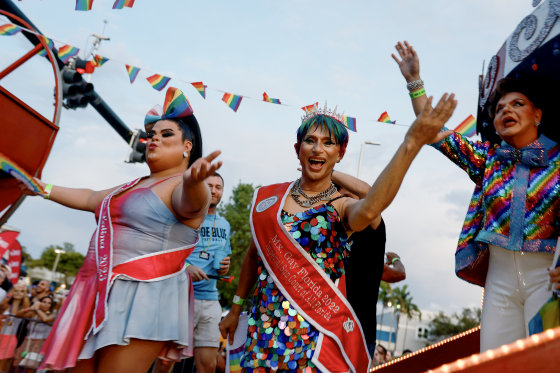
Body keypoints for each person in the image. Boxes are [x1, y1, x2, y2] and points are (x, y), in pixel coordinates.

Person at [220, 97, 457, 372]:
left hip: (316, 337)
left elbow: (370, 208)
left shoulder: (340, 205)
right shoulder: (271, 199)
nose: (317, 148)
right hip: (263, 330)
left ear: (340, 152)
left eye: (328, 142)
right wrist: (235, 309)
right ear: (298, 148)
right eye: (310, 140)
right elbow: (253, 254)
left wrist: (411, 144)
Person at [17, 87, 222, 372]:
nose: (154, 140)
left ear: (188, 146)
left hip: (145, 296)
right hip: (98, 289)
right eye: (152, 135)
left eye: (166, 135)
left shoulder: (182, 187)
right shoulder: (133, 185)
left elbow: (191, 203)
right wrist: (40, 187)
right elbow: (90, 198)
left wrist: (195, 182)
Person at [392, 40, 560, 351]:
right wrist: (414, 82)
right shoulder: (488, 159)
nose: (506, 110)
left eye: (517, 104)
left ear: (537, 114)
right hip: (500, 279)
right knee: (495, 362)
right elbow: (434, 132)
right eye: (499, 109)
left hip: (546, 277)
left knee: (544, 361)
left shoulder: (559, 163)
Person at [331, 170, 406, 356]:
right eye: (342, 200)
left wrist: (327, 171)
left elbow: (369, 193)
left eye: (351, 198)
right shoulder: (327, 232)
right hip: (325, 327)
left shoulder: (371, 230)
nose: (347, 204)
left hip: (359, 332)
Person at [184, 172, 231, 373]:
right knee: (165, 362)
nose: (213, 191)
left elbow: (223, 255)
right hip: (182, 296)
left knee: (208, 366)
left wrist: (225, 266)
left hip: (211, 299)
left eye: (218, 187)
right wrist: (187, 268)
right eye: (209, 185)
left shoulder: (224, 224)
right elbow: (166, 254)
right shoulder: (184, 217)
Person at [13, 295, 57, 371]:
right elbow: (17, 314)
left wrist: (37, 309)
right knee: (18, 364)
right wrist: (30, 308)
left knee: (31, 366)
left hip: (39, 343)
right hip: (27, 341)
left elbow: (45, 319)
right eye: (44, 302)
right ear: (40, 303)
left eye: (49, 303)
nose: (46, 304)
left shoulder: (52, 315)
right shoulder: (33, 314)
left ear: (51, 306)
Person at [0, 283, 29, 371]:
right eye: (16, 291)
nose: (18, 293)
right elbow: (1, 305)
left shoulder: (22, 309)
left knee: (2, 366)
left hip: (10, 338)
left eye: (21, 292)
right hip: (1, 335)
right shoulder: (6, 305)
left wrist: (25, 294)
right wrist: (12, 291)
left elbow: (27, 307)